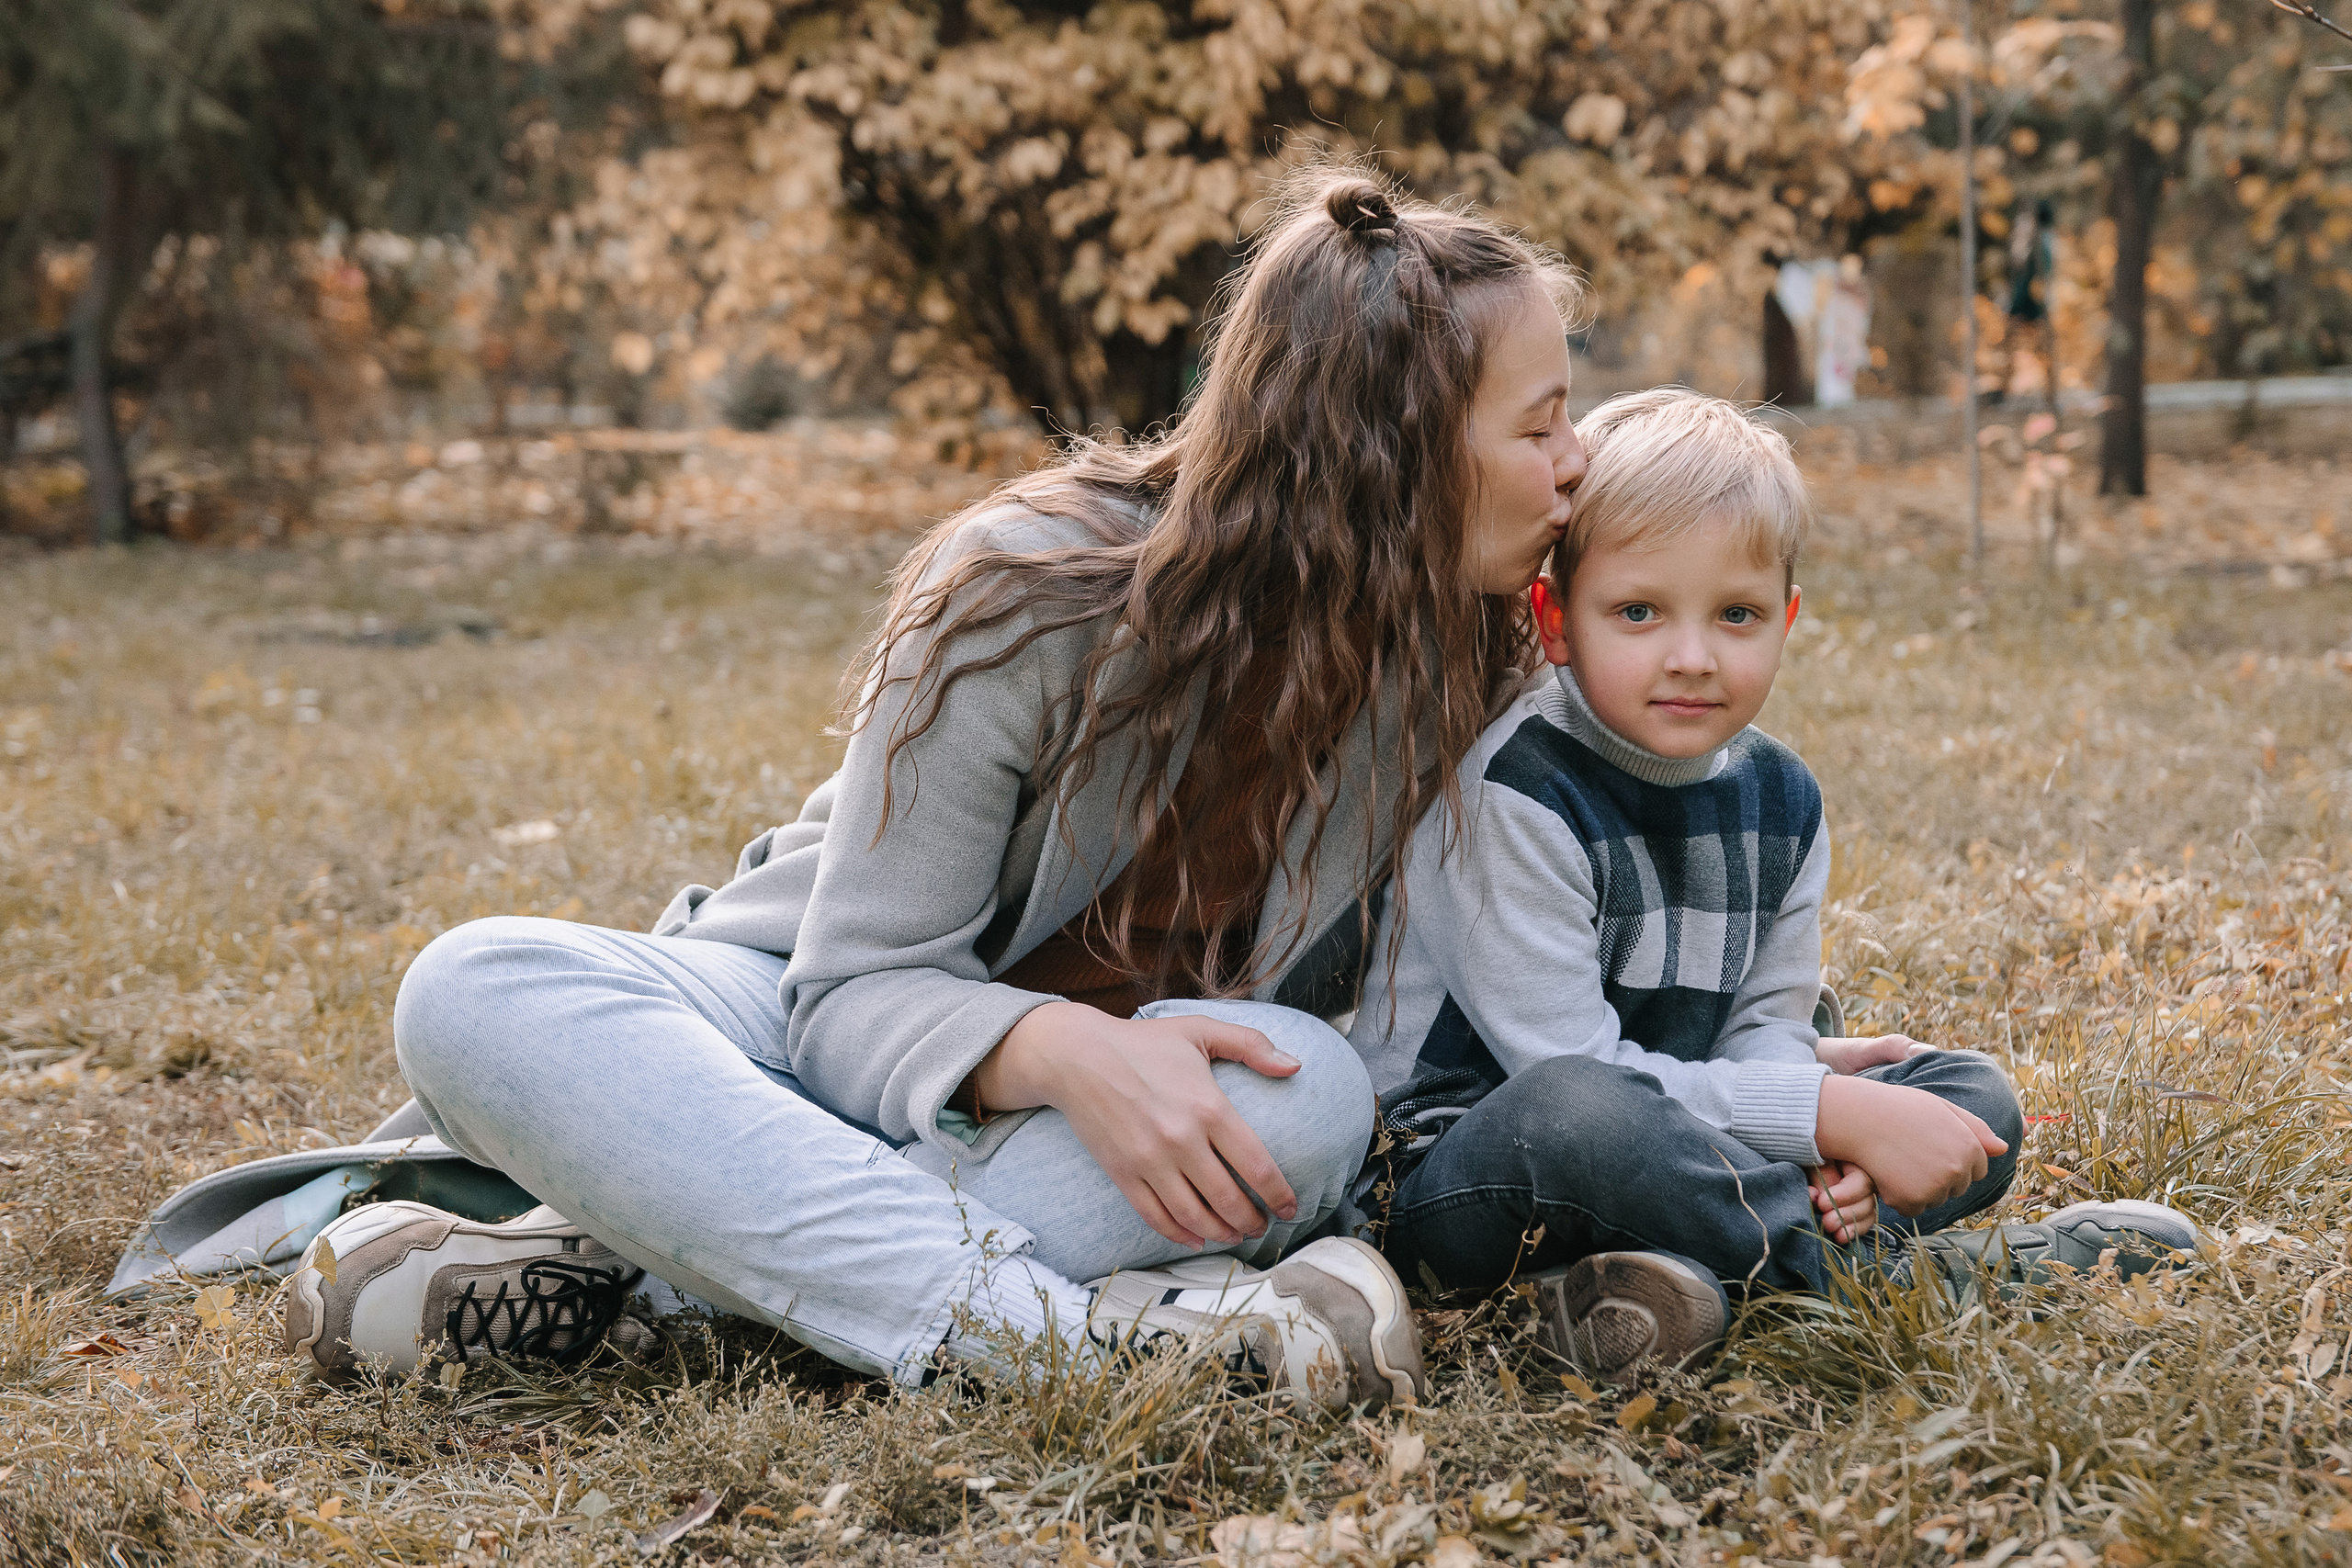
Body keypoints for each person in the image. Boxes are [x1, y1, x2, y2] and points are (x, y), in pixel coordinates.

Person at [278, 169, 1595, 1410]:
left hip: (1066, 1142)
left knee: (1304, 1086)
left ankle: (650, 1272)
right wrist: (1059, 1045)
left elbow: (1598, 899)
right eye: (1538, 426)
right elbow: (848, 996)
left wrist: (1782, 1068)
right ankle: (1074, 1349)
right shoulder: (1022, 585)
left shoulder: (1464, 656)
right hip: (806, 1037)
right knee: (477, 984)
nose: (1574, 460)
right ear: (1395, 446)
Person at [1347, 388, 2204, 1379]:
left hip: (1680, 1141)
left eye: (1737, 615)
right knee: (1581, 1113)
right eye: (1636, 612)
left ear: (1785, 620)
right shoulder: (1517, 793)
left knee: (1973, 1103)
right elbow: (1573, 1073)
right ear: (1556, 621)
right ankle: (1893, 1277)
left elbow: (1763, 1029)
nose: (1692, 657)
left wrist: (1829, 1123)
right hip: (1471, 1172)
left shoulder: (1781, 797)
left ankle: (1661, 1276)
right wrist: (1832, 1122)